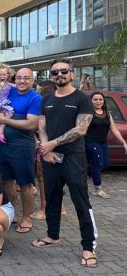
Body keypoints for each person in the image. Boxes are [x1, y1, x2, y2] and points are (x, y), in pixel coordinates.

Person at [34, 59, 98, 268]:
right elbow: (41, 125)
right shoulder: (47, 99)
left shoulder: (82, 98)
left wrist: (52, 144)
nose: (59, 74)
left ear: (72, 73)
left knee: (80, 200)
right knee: (52, 197)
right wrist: (45, 149)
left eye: (63, 71)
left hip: (73, 157)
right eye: (55, 72)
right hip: (51, 157)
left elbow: (81, 129)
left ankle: (88, 246)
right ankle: (53, 235)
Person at [0, 68, 41, 234]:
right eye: (19, 78)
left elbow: (31, 124)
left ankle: (27, 218)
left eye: (26, 78)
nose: (22, 81)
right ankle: (11, 212)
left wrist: (6, 119)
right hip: (3, 146)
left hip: (22, 147)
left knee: (25, 184)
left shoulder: (35, 98)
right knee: (6, 181)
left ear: (32, 80)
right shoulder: (9, 91)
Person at [85, 92, 127, 198]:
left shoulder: (107, 113)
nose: (98, 102)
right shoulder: (89, 114)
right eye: (95, 99)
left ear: (103, 101)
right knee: (98, 165)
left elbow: (114, 130)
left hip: (103, 143)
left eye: (100, 99)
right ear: (91, 101)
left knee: (104, 165)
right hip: (91, 142)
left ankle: (89, 172)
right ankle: (97, 189)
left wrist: (123, 142)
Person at [31, 80, 56, 220]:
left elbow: (40, 126)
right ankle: (58, 207)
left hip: (45, 143)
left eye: (39, 90)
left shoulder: (44, 104)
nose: (37, 92)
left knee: (42, 177)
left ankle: (44, 208)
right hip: (52, 143)